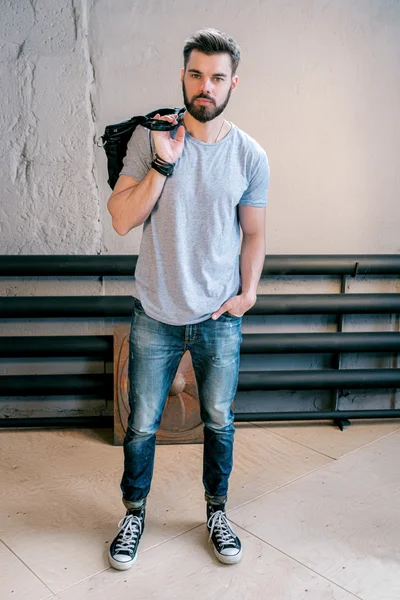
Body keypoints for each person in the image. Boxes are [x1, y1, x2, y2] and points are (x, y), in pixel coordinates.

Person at [107, 28, 269, 569]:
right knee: (143, 423)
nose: (206, 86)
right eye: (196, 74)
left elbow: (254, 234)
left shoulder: (249, 155)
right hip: (155, 311)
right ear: (183, 76)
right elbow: (124, 219)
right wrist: (162, 162)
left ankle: (217, 512)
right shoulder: (150, 137)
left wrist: (247, 294)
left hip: (219, 316)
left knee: (219, 419)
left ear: (232, 84)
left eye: (217, 77)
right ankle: (134, 513)